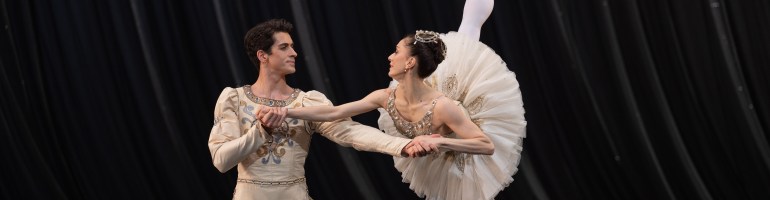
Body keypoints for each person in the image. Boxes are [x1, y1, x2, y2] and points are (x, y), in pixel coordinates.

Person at [261, 1, 526, 199]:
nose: (390, 56)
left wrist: (441, 140)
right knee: (459, 49)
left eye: (396, 51)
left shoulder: (446, 107)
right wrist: (287, 111)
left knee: (467, 40)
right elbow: (335, 112)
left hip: (456, 140)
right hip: (429, 117)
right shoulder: (385, 97)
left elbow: (486, 145)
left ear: (410, 62)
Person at [207, 19, 432, 200]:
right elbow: (221, 161)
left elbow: (351, 132)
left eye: (293, 47)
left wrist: (402, 145)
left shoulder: (307, 103)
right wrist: (261, 130)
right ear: (262, 55)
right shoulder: (234, 99)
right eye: (284, 47)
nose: (294, 53)